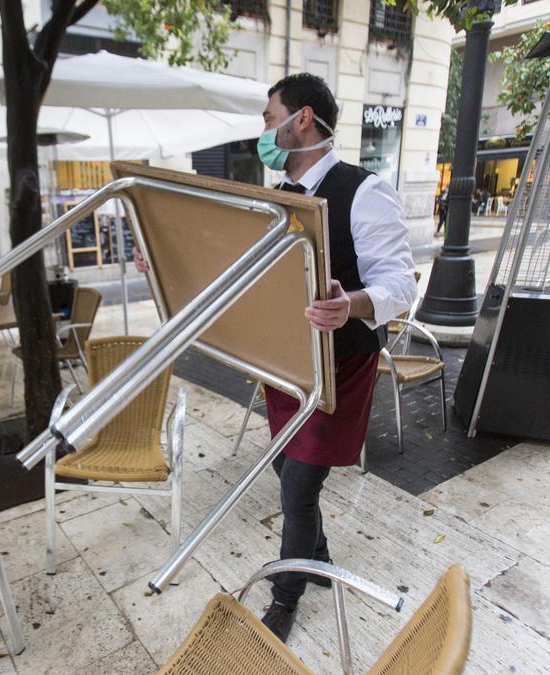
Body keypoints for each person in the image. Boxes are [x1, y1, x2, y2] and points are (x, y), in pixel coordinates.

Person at [140, 73, 415, 643]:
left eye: (270, 119)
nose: (265, 131)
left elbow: (401, 284)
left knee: (297, 488)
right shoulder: (270, 200)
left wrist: (353, 303)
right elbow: (233, 273)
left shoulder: (363, 191)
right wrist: (166, 265)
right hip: (284, 366)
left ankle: (283, 598)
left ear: (303, 119)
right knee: (285, 466)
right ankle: (319, 556)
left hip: (337, 367)